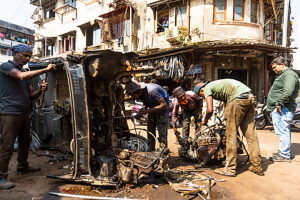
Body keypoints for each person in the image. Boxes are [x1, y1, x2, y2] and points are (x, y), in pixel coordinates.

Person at [0, 44, 56, 190]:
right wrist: (45, 69)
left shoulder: (25, 72)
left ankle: (22, 166)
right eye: (24, 55)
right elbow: (20, 76)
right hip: (9, 113)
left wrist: (40, 90)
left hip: (23, 112)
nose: (26, 59)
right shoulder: (6, 67)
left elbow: (31, 96)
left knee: (25, 141)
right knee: (7, 146)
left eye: (29, 57)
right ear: (14, 53)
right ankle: (1, 176)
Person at [194, 79, 263, 177]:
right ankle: (257, 166)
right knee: (251, 135)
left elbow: (210, 110)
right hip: (249, 97)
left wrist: (204, 121)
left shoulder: (207, 88)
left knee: (231, 135)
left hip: (237, 99)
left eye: (202, 95)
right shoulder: (217, 85)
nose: (204, 96)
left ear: (201, 90)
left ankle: (230, 168)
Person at [267, 56, 299, 162]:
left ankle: (284, 155)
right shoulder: (284, 74)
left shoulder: (289, 75)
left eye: (275, 67)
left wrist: (279, 103)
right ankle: (283, 152)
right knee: (281, 130)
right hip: (281, 107)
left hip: (283, 108)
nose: (274, 69)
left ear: (282, 65)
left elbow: (288, 91)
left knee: (283, 131)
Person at [125, 80, 169, 151]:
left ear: (139, 91)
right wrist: (141, 113)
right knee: (150, 131)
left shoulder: (152, 90)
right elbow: (147, 104)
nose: (132, 96)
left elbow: (164, 105)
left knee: (162, 133)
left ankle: (163, 151)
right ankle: (151, 150)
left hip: (162, 110)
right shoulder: (141, 94)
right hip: (152, 109)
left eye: (133, 94)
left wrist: (146, 111)